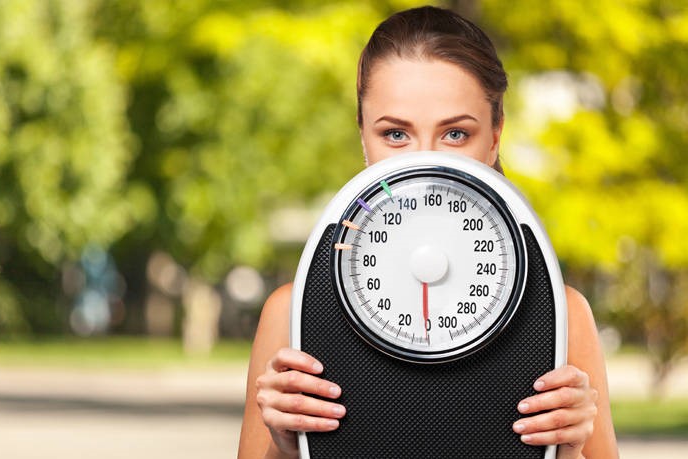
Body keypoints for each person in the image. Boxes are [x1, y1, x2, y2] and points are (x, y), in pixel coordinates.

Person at [238, 6, 618, 459]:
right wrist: (286, 447)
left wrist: (569, 450)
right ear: (363, 137)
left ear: (495, 136)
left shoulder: (561, 314)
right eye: (395, 135)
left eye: (455, 134)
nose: (426, 163)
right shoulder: (293, 313)